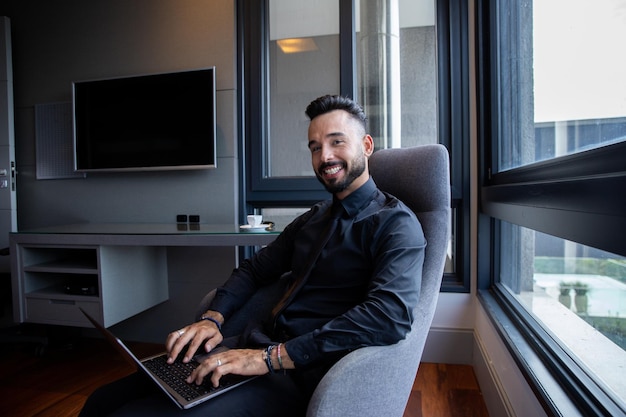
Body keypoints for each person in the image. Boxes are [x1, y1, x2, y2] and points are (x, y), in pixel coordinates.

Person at [79, 94, 426, 416]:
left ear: (366, 145)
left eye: (337, 142)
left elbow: (388, 317)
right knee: (103, 401)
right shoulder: (313, 219)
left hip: (304, 371)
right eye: (315, 147)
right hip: (251, 347)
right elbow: (254, 270)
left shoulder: (395, 224)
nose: (325, 157)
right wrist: (212, 318)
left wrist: (271, 358)